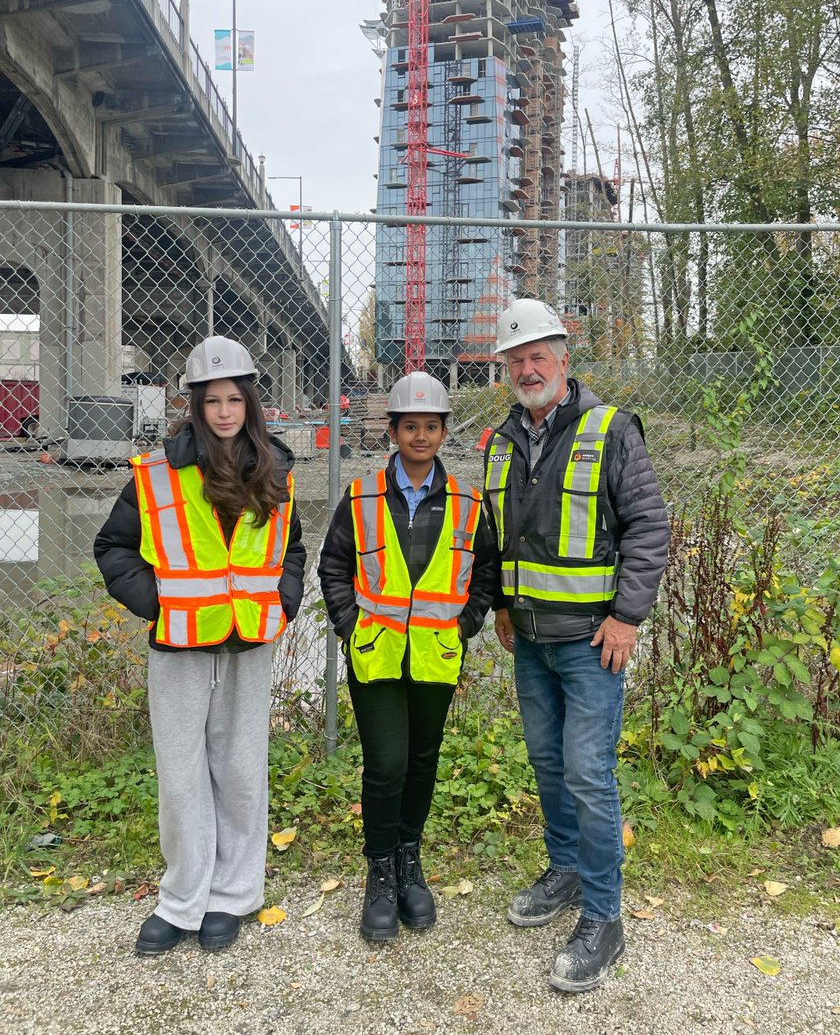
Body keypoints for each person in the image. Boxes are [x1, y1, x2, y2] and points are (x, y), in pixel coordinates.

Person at [94, 336, 306, 956]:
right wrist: (157, 603)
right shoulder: (157, 475)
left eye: (233, 399)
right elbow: (113, 549)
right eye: (211, 400)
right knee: (181, 776)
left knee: (241, 771)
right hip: (180, 644)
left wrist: (285, 601)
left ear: (249, 403)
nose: (223, 411)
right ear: (194, 404)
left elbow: (290, 551)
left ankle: (234, 896)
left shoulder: (277, 471)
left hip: (249, 642)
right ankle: (183, 898)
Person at [484, 299, 670, 993]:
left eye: (539, 355)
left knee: (588, 773)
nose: (528, 368)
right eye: (516, 358)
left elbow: (649, 528)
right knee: (549, 765)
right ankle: (565, 871)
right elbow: (502, 536)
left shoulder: (609, 430)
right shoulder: (503, 441)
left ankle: (604, 916)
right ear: (505, 369)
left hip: (593, 644)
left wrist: (627, 618)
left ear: (564, 359)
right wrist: (503, 603)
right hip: (530, 640)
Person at [318, 372, 498, 942]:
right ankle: (379, 871)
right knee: (387, 763)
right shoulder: (362, 495)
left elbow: (486, 574)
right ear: (392, 431)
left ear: (444, 431)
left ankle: (409, 865)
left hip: (435, 655)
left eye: (431, 425)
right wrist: (349, 625)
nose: (421, 435)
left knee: (422, 760)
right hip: (376, 654)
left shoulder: (469, 503)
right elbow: (333, 566)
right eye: (410, 425)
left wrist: (467, 625)